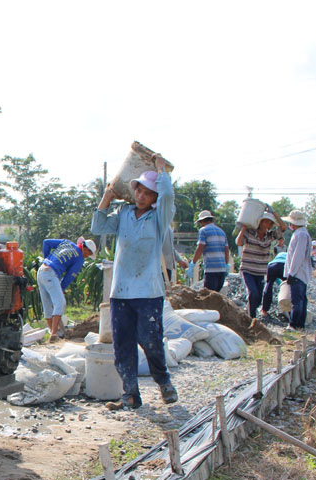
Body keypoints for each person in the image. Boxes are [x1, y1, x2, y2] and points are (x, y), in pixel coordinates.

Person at [91, 155, 177, 410]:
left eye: (149, 193)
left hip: (148, 291)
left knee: (150, 341)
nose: (142, 196)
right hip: (121, 292)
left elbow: (168, 198)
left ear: (155, 197)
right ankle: (130, 393)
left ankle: (164, 383)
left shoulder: (159, 219)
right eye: (139, 190)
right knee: (123, 344)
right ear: (134, 190)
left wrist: (161, 170)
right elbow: (98, 227)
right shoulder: (124, 213)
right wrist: (107, 197)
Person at [37, 236, 97, 341]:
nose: (88, 256)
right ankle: (54, 333)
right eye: (89, 253)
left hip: (41, 271)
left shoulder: (66, 243)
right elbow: (69, 276)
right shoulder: (79, 258)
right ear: (86, 249)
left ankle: (52, 332)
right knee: (60, 302)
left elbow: (46, 242)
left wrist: (46, 259)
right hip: (51, 274)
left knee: (47, 304)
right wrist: (61, 288)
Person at [235, 207, 286, 319]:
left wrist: (274, 212)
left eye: (270, 223)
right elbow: (239, 242)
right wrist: (243, 228)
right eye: (266, 221)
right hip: (248, 269)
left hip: (260, 271)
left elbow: (283, 227)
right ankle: (251, 318)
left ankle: (249, 313)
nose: (268, 224)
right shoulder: (249, 233)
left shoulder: (270, 236)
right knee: (253, 293)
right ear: (260, 222)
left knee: (258, 299)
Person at [190, 209, 231, 292]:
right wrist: (226, 265)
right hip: (222, 270)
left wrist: (193, 263)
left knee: (209, 297)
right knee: (216, 296)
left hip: (211, 270)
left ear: (202, 221)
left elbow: (200, 247)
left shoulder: (203, 231)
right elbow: (226, 250)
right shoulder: (222, 232)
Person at [284, 210, 312, 329]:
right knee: (301, 299)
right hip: (301, 272)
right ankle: (300, 325)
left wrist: (291, 273)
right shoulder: (302, 233)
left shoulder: (300, 234)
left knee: (297, 300)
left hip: (298, 273)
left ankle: (295, 324)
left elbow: (298, 255)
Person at [262, 249, 288, 316]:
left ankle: (264, 310)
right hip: (285, 266)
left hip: (272, 266)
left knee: (268, 286)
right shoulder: (287, 255)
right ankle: (289, 309)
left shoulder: (276, 258)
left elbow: (276, 278)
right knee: (289, 287)